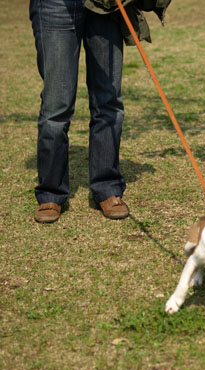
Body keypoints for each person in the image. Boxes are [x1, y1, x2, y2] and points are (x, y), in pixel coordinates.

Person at [30, 0, 170, 223]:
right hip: (56, 6)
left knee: (108, 101)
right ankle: (51, 193)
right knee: (56, 107)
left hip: (106, 7)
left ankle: (107, 187)